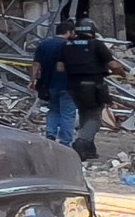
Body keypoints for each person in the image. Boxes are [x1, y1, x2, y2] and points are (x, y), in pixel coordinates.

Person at [65, 18, 118, 160]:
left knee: (84, 114)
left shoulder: (67, 45)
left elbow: (60, 67)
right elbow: (114, 65)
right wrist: (123, 74)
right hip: (94, 86)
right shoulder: (97, 45)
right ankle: (81, 142)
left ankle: (89, 150)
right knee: (94, 116)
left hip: (73, 86)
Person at [32, 18, 78, 147]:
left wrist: (33, 81)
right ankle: (65, 143)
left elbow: (36, 65)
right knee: (68, 114)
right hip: (67, 85)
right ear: (68, 32)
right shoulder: (70, 46)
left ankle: (50, 137)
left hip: (49, 85)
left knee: (53, 111)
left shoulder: (43, 45)